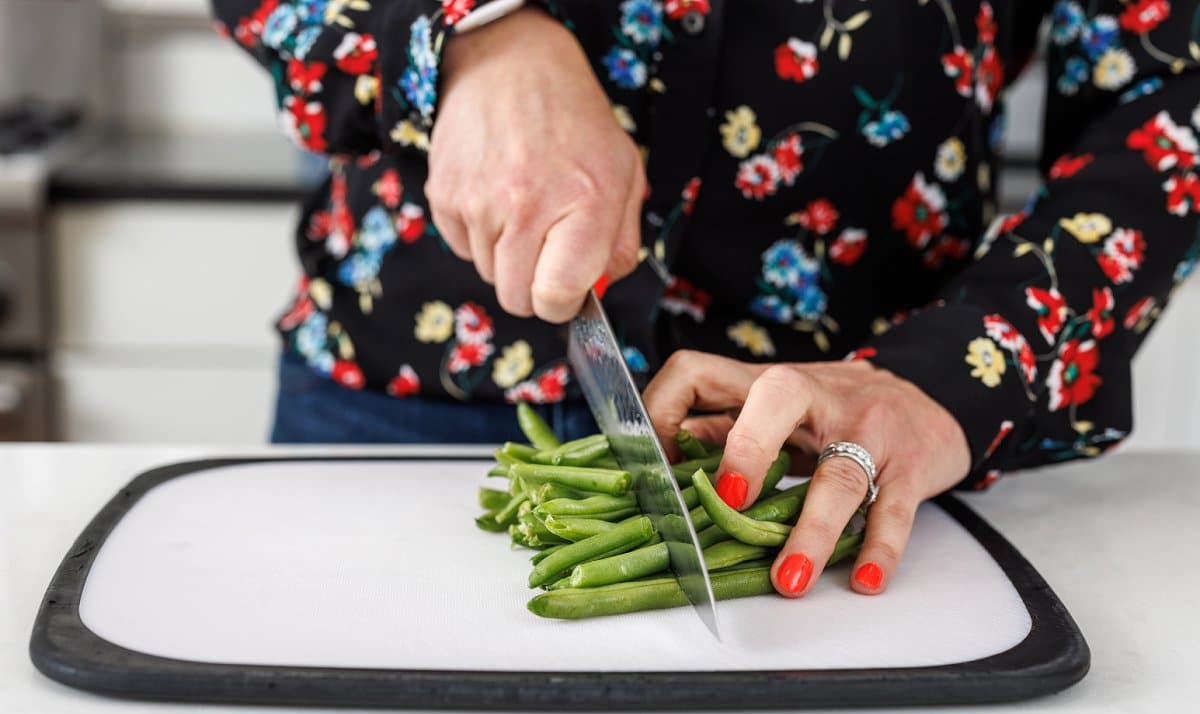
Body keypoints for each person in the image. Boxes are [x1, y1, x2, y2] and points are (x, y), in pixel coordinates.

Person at [211, 0, 1196, 598]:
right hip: (397, 395)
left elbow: (1170, 100)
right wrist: (471, 33)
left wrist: (954, 372)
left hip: (849, 457)